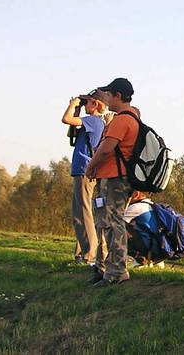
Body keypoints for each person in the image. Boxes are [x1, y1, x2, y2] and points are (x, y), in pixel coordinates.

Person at [85, 78, 139, 287]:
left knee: (113, 223)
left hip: (114, 178)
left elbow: (107, 148)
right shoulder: (134, 116)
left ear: (117, 96)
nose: (106, 98)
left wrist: (91, 167)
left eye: (109, 94)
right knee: (109, 222)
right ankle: (108, 268)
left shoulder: (121, 120)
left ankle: (117, 271)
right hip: (119, 177)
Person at [61, 89, 106, 266]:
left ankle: (89, 255)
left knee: (84, 212)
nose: (83, 104)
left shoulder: (94, 121)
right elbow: (70, 133)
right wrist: (78, 111)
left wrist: (72, 104)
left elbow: (66, 119)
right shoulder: (89, 122)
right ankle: (81, 254)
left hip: (84, 171)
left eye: (86, 102)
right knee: (78, 213)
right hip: (82, 171)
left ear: (95, 104)